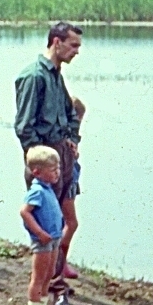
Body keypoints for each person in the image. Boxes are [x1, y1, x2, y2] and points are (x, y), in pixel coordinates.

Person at [14, 21, 82, 305]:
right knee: (49, 227)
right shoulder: (33, 77)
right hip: (45, 162)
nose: (76, 52)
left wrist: (72, 139)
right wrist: (42, 162)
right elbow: (24, 126)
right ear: (56, 41)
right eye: (73, 45)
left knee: (66, 221)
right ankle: (49, 290)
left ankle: (55, 281)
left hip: (62, 157)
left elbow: (70, 112)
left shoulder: (57, 77)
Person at [19, 146, 65, 305]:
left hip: (53, 238)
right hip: (43, 240)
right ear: (37, 172)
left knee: (49, 273)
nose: (58, 173)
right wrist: (39, 233)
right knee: (39, 276)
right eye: (53, 170)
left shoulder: (48, 188)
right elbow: (25, 212)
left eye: (58, 168)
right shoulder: (37, 191)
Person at [61, 97, 86, 280]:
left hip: (71, 176)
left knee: (63, 222)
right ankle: (59, 263)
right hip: (67, 178)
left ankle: (60, 262)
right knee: (71, 223)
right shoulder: (64, 136)